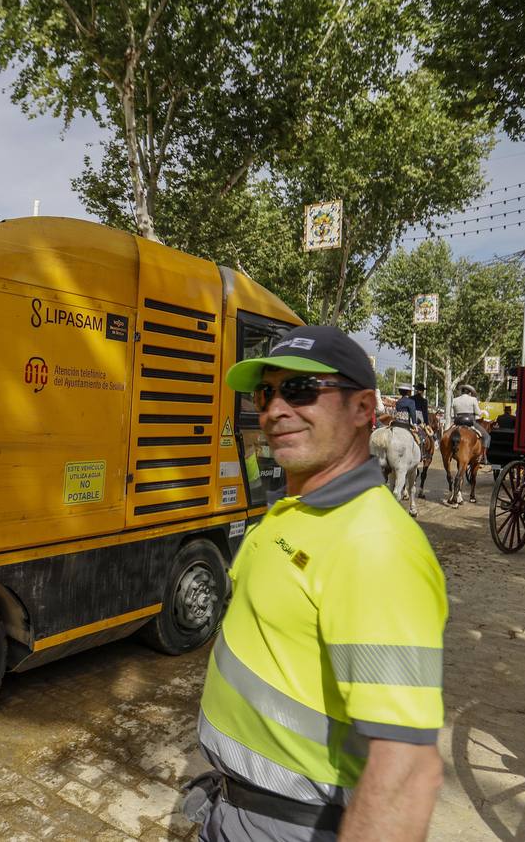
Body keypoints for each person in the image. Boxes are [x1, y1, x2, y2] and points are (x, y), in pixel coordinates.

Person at [188, 325, 445, 842]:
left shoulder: (375, 544)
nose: (275, 409)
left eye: (302, 391)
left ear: (363, 409)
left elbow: (405, 770)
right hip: (237, 808)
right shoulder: (293, 510)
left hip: (289, 827)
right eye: (266, 393)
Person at [450, 384, 490, 451]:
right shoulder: (473, 399)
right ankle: (483, 455)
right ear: (470, 392)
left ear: (462, 392)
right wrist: (483, 412)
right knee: (487, 436)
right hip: (470, 422)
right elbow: (478, 413)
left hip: (458, 422)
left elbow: (453, 414)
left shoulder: (454, 400)